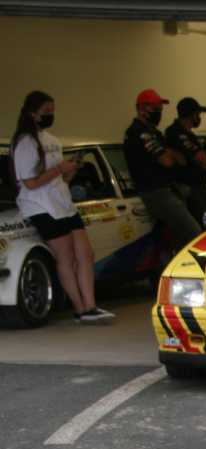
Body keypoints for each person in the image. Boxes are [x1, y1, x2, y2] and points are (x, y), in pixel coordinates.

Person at [10, 90, 111, 323]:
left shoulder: (53, 141)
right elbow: (30, 182)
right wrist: (59, 170)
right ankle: (80, 309)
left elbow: (61, 179)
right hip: (40, 206)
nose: (50, 115)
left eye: (52, 111)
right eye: (46, 111)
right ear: (32, 113)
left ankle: (91, 305)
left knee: (85, 253)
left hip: (63, 202)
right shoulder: (25, 142)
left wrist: (71, 170)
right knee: (66, 257)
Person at [123, 89, 201, 251]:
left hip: (169, 188)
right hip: (155, 192)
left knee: (177, 239)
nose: (159, 112)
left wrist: (170, 153)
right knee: (194, 234)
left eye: (160, 108)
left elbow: (181, 159)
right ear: (142, 109)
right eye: (156, 108)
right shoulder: (138, 132)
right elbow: (168, 160)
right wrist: (170, 153)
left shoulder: (154, 133)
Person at [164, 97, 206, 226]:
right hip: (190, 189)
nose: (199, 118)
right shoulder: (175, 132)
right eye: (198, 114)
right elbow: (200, 159)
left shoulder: (190, 135)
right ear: (191, 115)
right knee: (203, 225)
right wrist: (201, 161)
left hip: (199, 187)